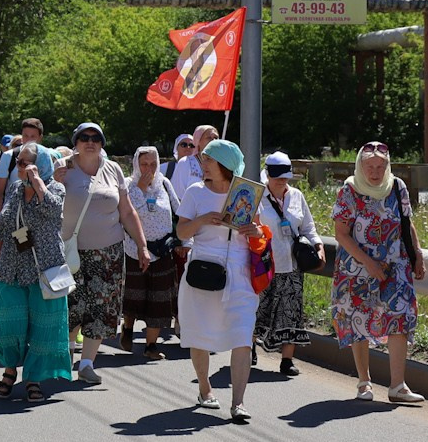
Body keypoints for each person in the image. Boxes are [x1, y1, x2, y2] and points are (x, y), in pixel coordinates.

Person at [330, 140, 427, 405]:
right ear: (360, 166)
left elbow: (407, 221)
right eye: (369, 166)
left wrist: (417, 253)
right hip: (357, 268)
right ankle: (364, 382)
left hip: (396, 264)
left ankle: (398, 386)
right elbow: (341, 234)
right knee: (358, 320)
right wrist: (368, 263)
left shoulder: (397, 186)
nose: (375, 172)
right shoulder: (349, 190)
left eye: (380, 166)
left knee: (399, 317)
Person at [56, 122, 151, 387]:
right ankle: (66, 356)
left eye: (95, 137)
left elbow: (127, 211)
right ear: (75, 141)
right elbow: (47, 202)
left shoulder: (112, 170)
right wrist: (54, 181)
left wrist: (142, 245)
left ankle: (87, 363)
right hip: (70, 251)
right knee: (71, 306)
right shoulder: (63, 168)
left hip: (108, 252)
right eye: (84, 137)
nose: (90, 141)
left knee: (101, 308)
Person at [175, 138, 260, 421]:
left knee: (242, 335)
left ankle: (239, 402)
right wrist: (203, 220)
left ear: (225, 164)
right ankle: (205, 388)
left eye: (208, 160)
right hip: (203, 268)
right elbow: (181, 233)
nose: (203, 164)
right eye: (202, 159)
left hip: (240, 272)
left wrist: (255, 231)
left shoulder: (246, 191)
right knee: (199, 333)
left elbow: (259, 230)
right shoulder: (195, 192)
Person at [0, 139, 70, 403]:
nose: (20, 166)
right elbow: (3, 226)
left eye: (25, 162)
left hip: (43, 267)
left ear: (40, 164)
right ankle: (10, 370)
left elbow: (54, 211)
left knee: (42, 326)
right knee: (12, 324)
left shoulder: (55, 188)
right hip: (12, 265)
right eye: (18, 162)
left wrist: (38, 183)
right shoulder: (14, 188)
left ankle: (33, 378)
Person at [253, 151, 318, 375]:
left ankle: (287, 360)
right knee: (258, 309)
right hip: (265, 263)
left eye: (285, 176)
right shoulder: (258, 196)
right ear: (268, 175)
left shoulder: (297, 196)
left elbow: (308, 226)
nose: (282, 180)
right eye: (277, 176)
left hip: (292, 264)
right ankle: (249, 346)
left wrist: (317, 244)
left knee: (291, 312)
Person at [121, 144, 179, 360]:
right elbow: (129, 212)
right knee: (134, 294)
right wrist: (141, 189)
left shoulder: (164, 183)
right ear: (136, 164)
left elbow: (178, 209)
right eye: (144, 164)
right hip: (134, 249)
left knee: (159, 298)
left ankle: (151, 345)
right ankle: (128, 328)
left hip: (162, 249)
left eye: (153, 164)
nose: (149, 168)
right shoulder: (128, 185)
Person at [169, 125, 216, 211]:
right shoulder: (185, 162)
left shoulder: (221, 164)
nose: (214, 141)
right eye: (209, 137)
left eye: (216, 137)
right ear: (198, 141)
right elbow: (177, 195)